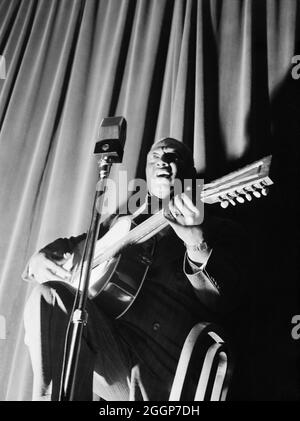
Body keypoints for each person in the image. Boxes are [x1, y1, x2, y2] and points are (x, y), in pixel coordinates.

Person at [23, 137, 248, 401]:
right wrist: (41, 257)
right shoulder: (119, 221)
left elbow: (224, 302)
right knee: (47, 296)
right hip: (113, 352)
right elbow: (76, 246)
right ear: (146, 172)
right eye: (155, 158)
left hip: (169, 365)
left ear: (190, 173)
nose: (162, 161)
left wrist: (196, 244)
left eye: (172, 157)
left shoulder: (218, 229)